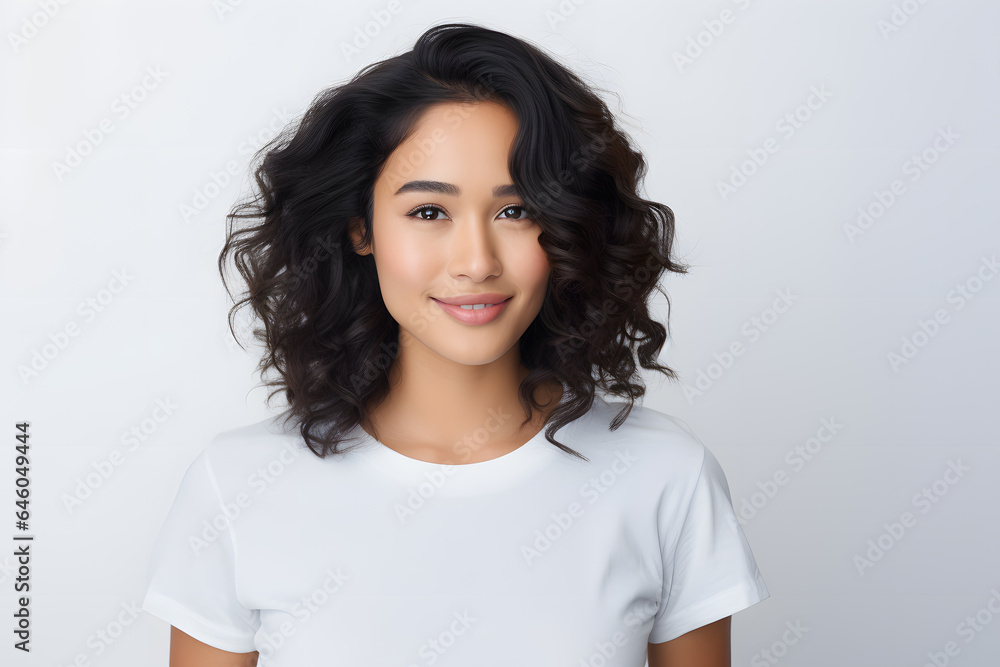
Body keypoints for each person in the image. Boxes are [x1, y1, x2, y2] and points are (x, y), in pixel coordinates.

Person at [140, 22, 769, 666]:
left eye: (516, 211)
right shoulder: (237, 486)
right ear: (362, 230)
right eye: (429, 212)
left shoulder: (665, 477)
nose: (476, 262)